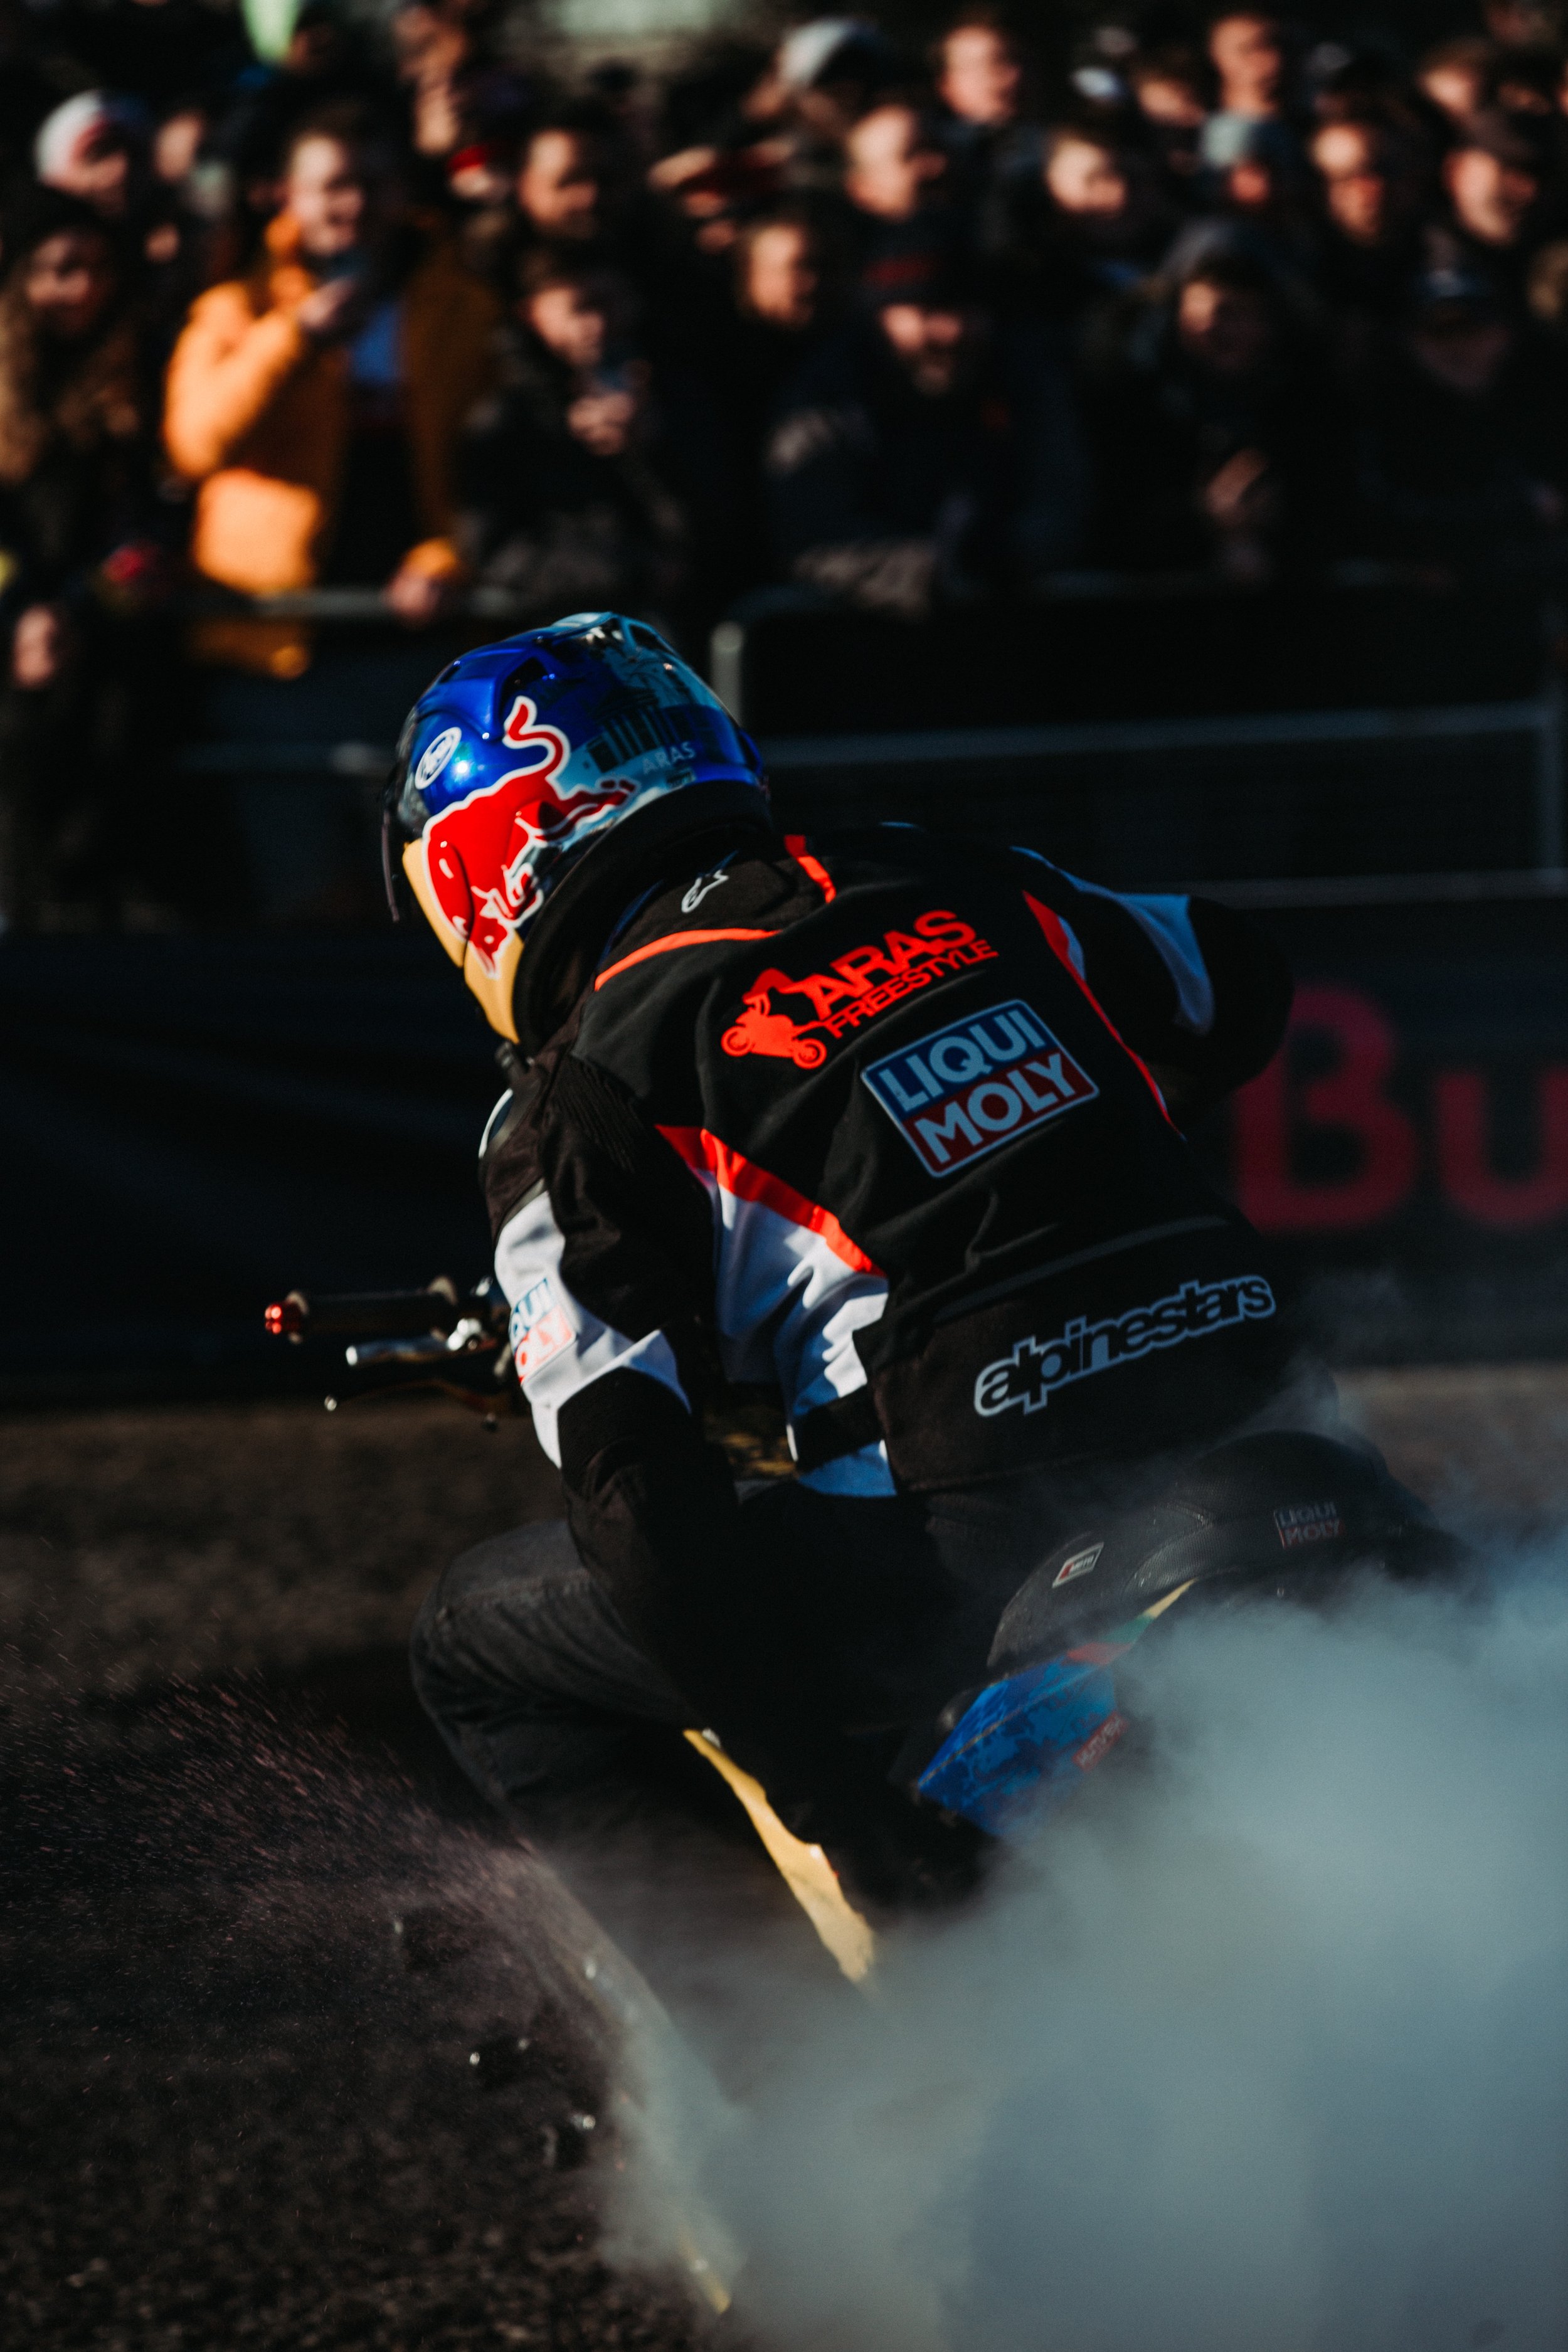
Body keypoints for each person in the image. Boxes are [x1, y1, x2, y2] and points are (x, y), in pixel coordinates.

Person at [395, 610, 1313, 1918]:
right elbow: (1236, 977)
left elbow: (635, 1494)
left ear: (476, 863)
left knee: (472, 1643)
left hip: (964, 1545)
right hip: (1265, 1421)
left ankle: (786, 2037)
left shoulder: (574, 1094)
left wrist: (841, 1813)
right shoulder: (938, 868)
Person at [163, 100, 498, 679]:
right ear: (288, 196)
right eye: (334, 187)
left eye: (372, 184)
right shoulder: (235, 309)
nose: (354, 205)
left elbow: (492, 464)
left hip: (427, 640)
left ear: (401, 192)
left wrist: (446, 558)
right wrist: (296, 339)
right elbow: (195, 448)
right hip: (269, 638)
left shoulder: (465, 309)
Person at [764, 250, 1087, 616]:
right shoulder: (826, 396)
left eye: (966, 310)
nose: (951, 331)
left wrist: (1013, 556)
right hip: (865, 629)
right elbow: (816, 536)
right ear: (880, 316)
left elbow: (1061, 499)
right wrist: (935, 571)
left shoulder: (1022, 378)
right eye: (926, 311)